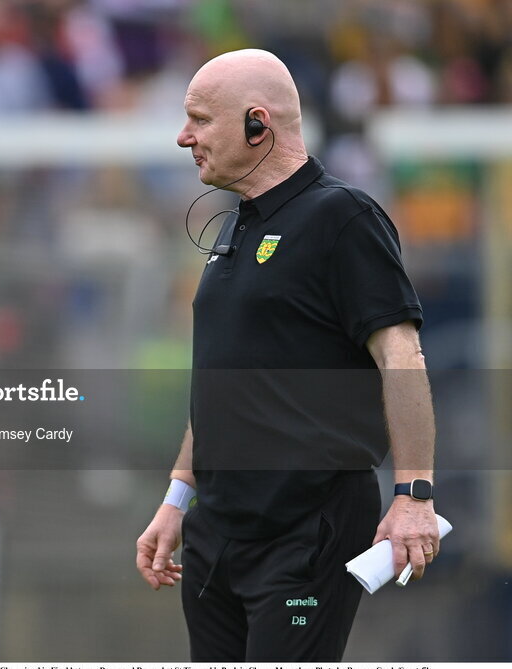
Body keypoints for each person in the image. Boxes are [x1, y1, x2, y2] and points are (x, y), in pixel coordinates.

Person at [134, 49, 440, 662]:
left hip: (305, 529)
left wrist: (415, 496)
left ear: (257, 124)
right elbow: (224, 379)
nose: (183, 137)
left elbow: (402, 355)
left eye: (199, 119)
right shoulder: (234, 226)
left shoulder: (342, 217)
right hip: (217, 532)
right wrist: (177, 499)